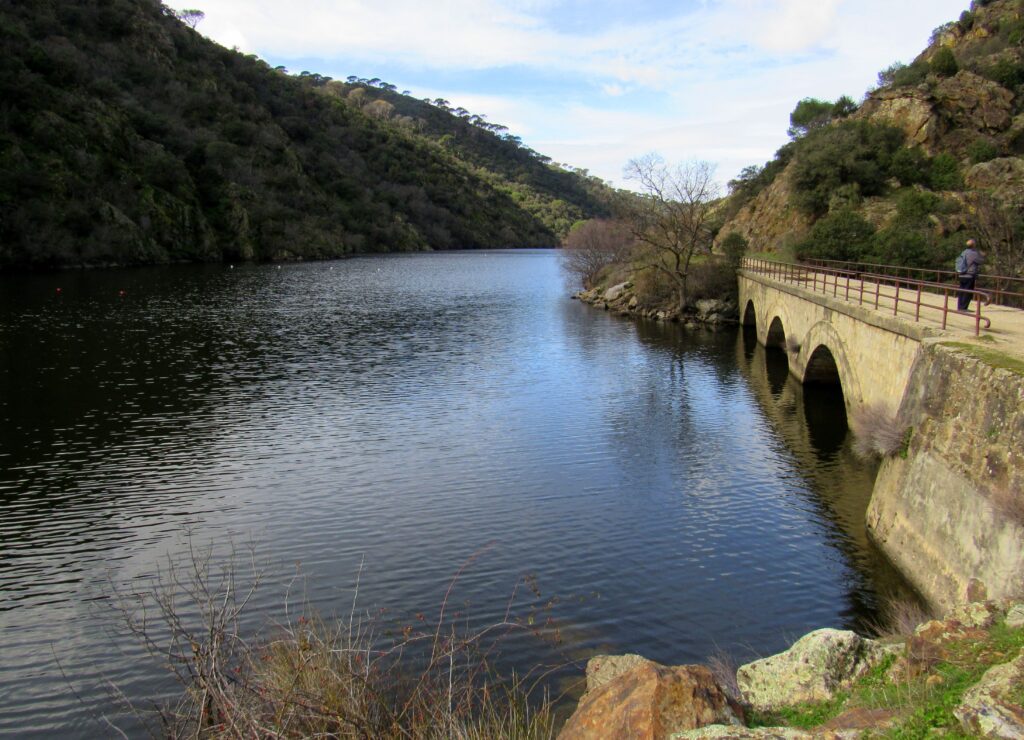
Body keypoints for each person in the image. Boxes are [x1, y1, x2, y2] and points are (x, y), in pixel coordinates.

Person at [956, 238, 984, 312]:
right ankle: (964, 308)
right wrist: (981, 254)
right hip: (969, 275)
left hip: (961, 274)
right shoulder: (973, 253)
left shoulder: (964, 252)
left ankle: (960, 307)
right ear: (973, 245)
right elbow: (981, 261)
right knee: (968, 292)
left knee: (961, 291)